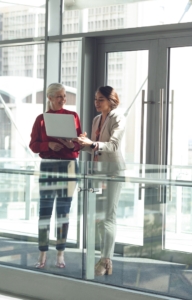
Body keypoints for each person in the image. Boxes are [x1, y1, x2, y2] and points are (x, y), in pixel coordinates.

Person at [29, 83, 82, 269]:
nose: (63, 100)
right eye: (59, 96)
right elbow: (33, 145)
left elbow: (79, 143)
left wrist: (71, 145)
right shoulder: (41, 119)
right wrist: (48, 146)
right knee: (44, 212)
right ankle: (42, 252)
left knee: (63, 212)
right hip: (48, 166)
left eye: (64, 96)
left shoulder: (73, 116)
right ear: (50, 98)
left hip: (69, 166)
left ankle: (60, 253)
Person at [75, 86, 125, 276]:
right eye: (95, 99)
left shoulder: (118, 117)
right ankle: (100, 257)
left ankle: (106, 260)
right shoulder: (97, 119)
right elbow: (95, 149)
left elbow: (112, 146)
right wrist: (82, 145)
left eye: (100, 99)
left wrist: (92, 144)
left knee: (109, 216)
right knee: (97, 217)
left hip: (113, 171)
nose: (96, 103)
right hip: (97, 171)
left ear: (111, 100)